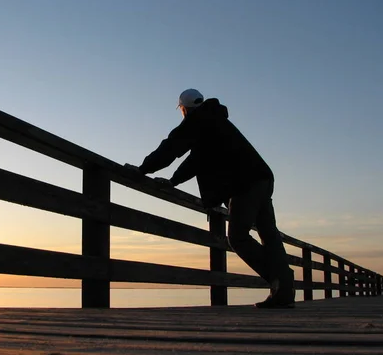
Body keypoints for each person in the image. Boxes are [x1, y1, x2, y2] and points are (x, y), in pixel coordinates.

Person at [125, 88, 295, 308]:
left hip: (244, 184)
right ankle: (284, 291)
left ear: (184, 109)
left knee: (238, 237)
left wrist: (142, 170)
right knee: (269, 235)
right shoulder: (214, 121)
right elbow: (197, 159)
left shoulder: (197, 121)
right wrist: (174, 181)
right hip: (261, 178)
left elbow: (171, 147)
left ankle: (280, 281)